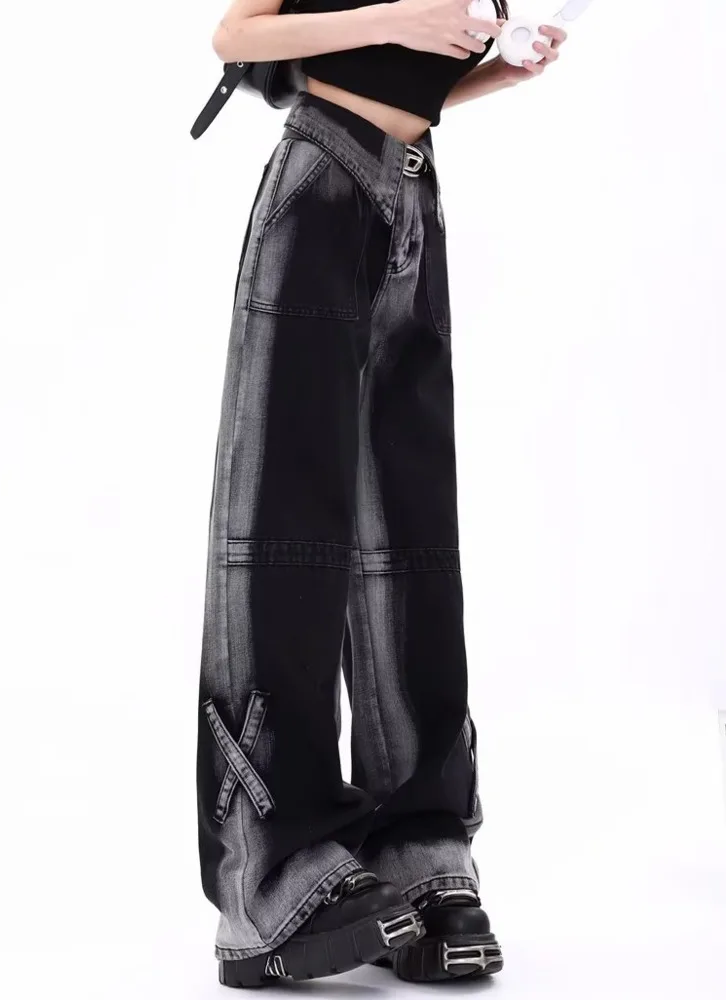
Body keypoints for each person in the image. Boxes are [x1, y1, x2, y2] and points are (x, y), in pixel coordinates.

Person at [196, 0, 566, 987]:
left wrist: (494, 71)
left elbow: (404, 82)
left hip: (409, 193)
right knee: (284, 528)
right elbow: (236, 37)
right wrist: (405, 16)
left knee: (410, 536)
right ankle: (271, 874)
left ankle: (418, 847)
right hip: (321, 179)